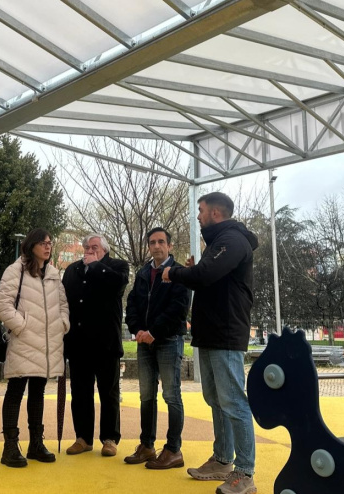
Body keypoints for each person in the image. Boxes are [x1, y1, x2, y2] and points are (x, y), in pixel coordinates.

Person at [162, 191, 259, 494]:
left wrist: (176, 272)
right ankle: (222, 459)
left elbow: (205, 275)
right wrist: (194, 270)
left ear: (216, 213)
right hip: (211, 332)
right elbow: (209, 276)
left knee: (234, 402)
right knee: (216, 400)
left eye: (201, 210)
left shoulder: (233, 239)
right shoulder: (218, 242)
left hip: (226, 333)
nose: (198, 216)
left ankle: (245, 473)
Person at [0, 228, 70, 468]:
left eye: (50, 243)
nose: (48, 247)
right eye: (43, 243)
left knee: (38, 393)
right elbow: (1, 305)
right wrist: (23, 327)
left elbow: (63, 305)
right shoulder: (15, 270)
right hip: (24, 341)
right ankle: (10, 446)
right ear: (31, 245)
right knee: (16, 391)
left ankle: (35, 443)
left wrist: (62, 325)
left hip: (48, 344)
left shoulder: (54, 273)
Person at [124, 227, 190, 469]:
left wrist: (154, 332)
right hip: (145, 343)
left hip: (168, 341)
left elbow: (178, 309)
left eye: (161, 241)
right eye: (152, 242)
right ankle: (147, 446)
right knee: (146, 396)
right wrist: (138, 330)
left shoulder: (179, 273)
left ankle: (173, 450)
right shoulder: (143, 273)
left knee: (171, 396)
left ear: (169, 246)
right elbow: (132, 303)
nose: (156, 246)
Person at [62, 233, 129, 457]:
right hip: (78, 343)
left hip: (106, 343)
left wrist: (97, 266)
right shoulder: (73, 270)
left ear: (105, 250)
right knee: (80, 392)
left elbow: (117, 285)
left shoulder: (117, 266)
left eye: (95, 247)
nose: (89, 251)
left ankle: (110, 438)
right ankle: (83, 438)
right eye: (87, 248)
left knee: (108, 392)